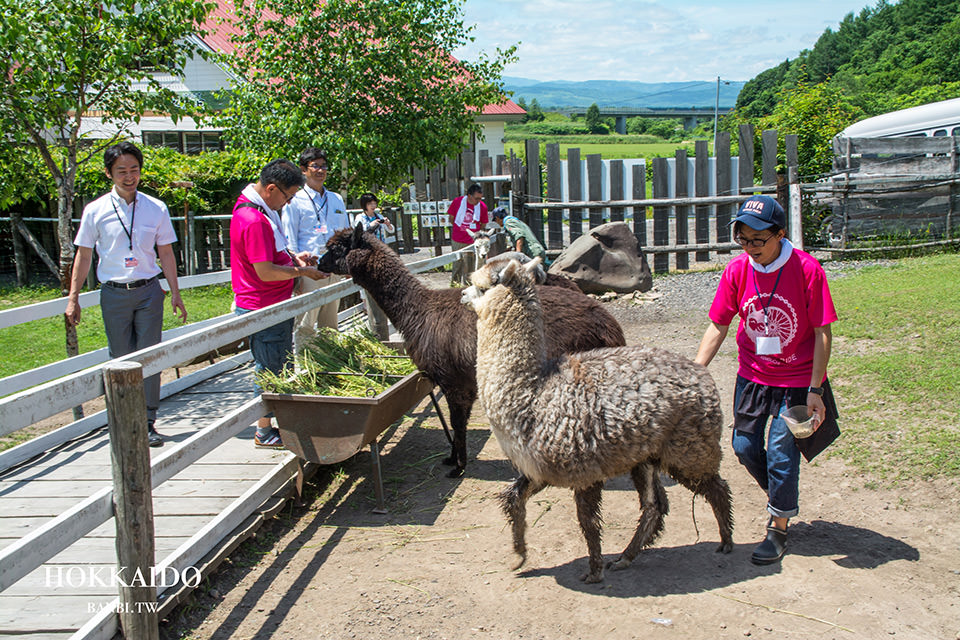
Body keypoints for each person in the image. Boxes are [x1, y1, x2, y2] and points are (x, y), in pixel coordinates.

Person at [694, 195, 839, 566]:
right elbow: (719, 324)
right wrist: (695, 371)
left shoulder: (807, 270)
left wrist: (816, 389)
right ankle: (781, 494)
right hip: (753, 377)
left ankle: (777, 526)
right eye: (743, 239)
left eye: (758, 240)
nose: (750, 247)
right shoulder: (736, 271)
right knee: (743, 447)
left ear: (780, 234)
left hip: (795, 380)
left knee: (780, 452)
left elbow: (823, 331)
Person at [65, 141, 187, 448]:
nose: (129, 176)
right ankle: (122, 421)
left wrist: (175, 292)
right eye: (122, 171)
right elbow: (83, 255)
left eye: (134, 169)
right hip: (114, 293)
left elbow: (166, 253)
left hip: (148, 291)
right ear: (109, 173)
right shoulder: (96, 210)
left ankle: (147, 421)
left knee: (149, 356)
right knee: (120, 359)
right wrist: (73, 297)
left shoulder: (155, 207)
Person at [230, 158, 327, 449]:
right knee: (270, 368)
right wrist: (301, 272)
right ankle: (264, 430)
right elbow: (265, 271)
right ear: (272, 189)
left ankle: (275, 424)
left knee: (279, 364)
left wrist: (294, 260)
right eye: (287, 197)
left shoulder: (260, 211)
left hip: (272, 301)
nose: (287, 203)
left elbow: (273, 256)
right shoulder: (255, 220)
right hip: (263, 304)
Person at [282, 148, 351, 355]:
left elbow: (346, 232)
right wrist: (298, 274)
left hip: (334, 267)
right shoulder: (294, 200)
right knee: (306, 323)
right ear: (304, 170)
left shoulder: (336, 199)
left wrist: (348, 262)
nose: (320, 170)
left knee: (331, 321)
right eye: (315, 166)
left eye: (323, 166)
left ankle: (331, 361)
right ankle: (307, 367)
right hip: (309, 268)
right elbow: (289, 238)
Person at [448, 183, 488, 285]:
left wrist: (475, 234)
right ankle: (454, 285)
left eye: (480, 198)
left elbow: (483, 223)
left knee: (470, 266)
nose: (479, 201)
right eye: (476, 198)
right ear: (469, 196)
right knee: (457, 264)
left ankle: (469, 287)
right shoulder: (457, 202)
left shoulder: (482, 206)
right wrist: (461, 228)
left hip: (472, 241)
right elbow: (451, 218)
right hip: (458, 239)